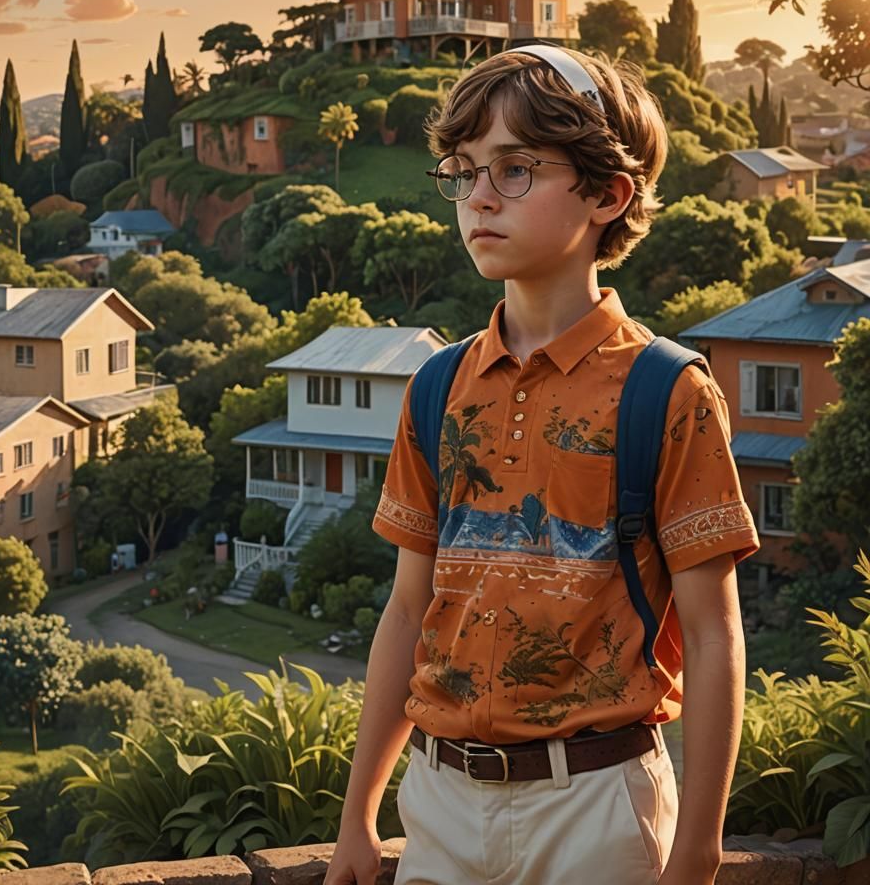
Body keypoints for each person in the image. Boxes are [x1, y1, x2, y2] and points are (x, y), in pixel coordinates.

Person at [322, 45, 759, 885]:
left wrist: (698, 853)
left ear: (607, 193)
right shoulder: (438, 385)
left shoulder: (667, 392)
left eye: (516, 168)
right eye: (463, 170)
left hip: (598, 806)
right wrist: (357, 818)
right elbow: (407, 613)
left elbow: (713, 634)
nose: (479, 196)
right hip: (440, 804)